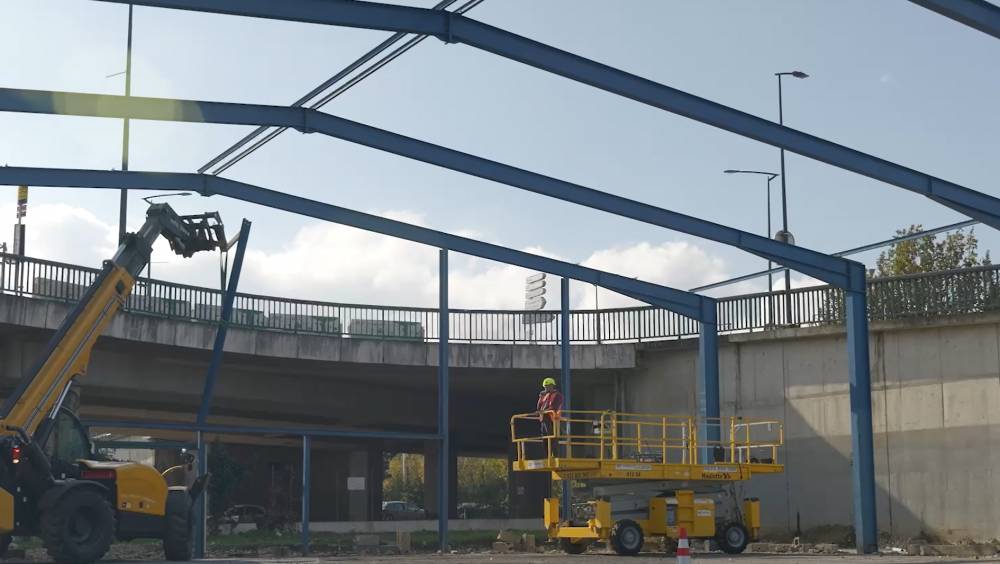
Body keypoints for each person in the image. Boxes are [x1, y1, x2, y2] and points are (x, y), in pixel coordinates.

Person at [536, 377, 564, 456]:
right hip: (544, 420)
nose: (545, 389)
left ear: (552, 386)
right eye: (544, 387)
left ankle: (555, 456)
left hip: (552, 419)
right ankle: (547, 456)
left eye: (547, 387)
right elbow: (539, 408)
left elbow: (554, 407)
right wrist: (540, 397)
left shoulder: (557, 395)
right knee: (545, 439)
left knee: (552, 438)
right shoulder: (545, 396)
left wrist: (544, 411)